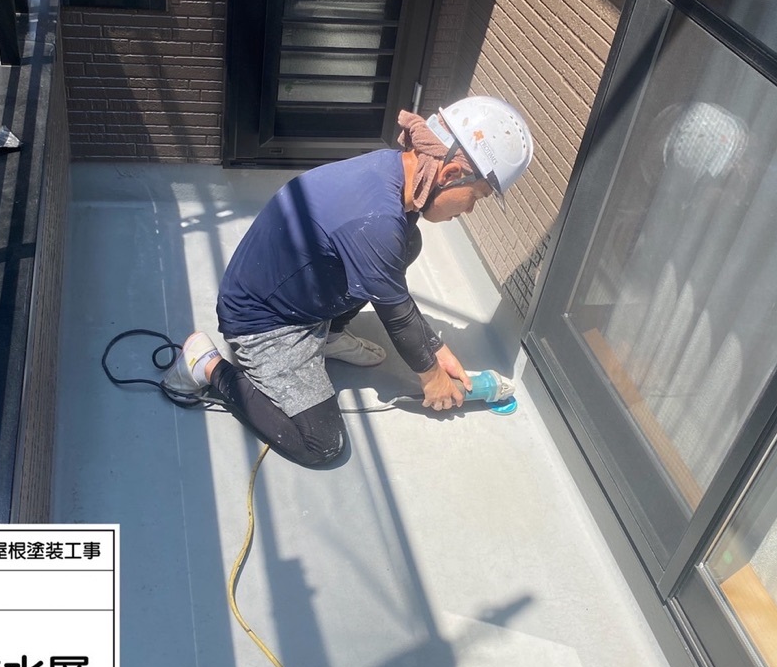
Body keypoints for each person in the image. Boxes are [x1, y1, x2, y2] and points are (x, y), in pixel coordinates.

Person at [163, 96, 534, 466]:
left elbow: (390, 286)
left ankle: (330, 335)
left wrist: (436, 349)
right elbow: (397, 314)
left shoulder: (394, 171)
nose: (469, 209)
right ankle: (207, 365)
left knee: (408, 243)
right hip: (263, 322)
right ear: (450, 174)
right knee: (322, 445)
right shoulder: (376, 220)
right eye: (476, 197)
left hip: (291, 287)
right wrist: (431, 376)